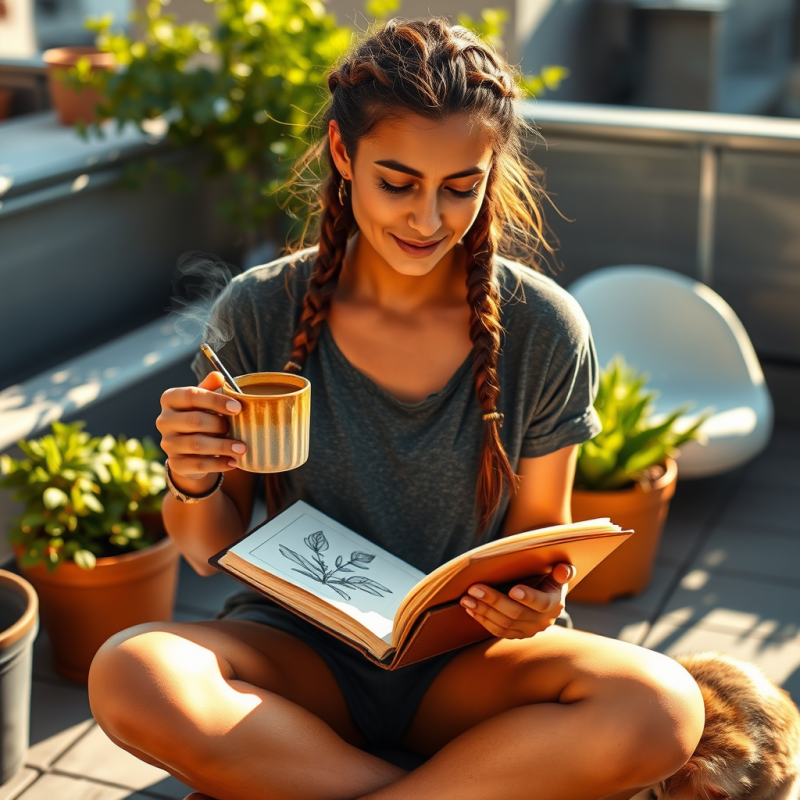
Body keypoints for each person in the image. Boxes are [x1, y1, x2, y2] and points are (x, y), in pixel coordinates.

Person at [88, 18, 705, 800]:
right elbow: (209, 548)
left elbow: (540, 537)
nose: (427, 221)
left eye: (460, 187)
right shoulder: (260, 311)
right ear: (344, 157)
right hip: (301, 651)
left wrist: (542, 597)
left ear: (491, 171)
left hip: (469, 663)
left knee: (663, 707)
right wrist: (193, 477)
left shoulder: (542, 327)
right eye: (398, 182)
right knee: (132, 670)